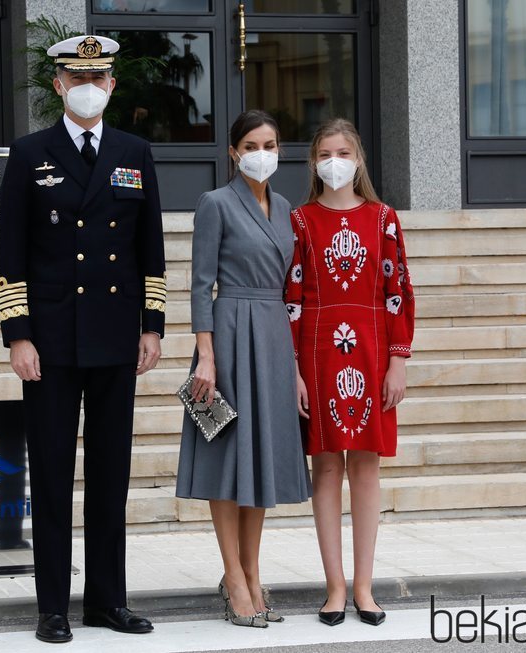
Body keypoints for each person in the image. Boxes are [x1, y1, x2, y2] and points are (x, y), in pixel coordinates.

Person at [0, 34, 166, 644]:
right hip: (52, 341)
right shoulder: (29, 153)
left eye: (100, 77)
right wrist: (17, 335)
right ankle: (52, 607)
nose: (89, 86)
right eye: (77, 77)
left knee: (111, 475)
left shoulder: (134, 151)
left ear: (112, 86)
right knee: (52, 474)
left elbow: (151, 248)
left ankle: (107, 601)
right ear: (58, 85)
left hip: (117, 337)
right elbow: (9, 253)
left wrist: (152, 325)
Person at [175, 110, 312, 628]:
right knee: (225, 459)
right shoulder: (215, 203)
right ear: (234, 151)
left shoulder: (285, 208)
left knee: (259, 460)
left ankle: (254, 573)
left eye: (271, 143)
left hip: (273, 337)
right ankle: (233, 576)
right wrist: (205, 354)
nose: (263, 152)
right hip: (228, 337)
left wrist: (295, 364)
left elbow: (290, 288)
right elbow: (199, 283)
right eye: (252, 144)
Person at [284, 118, 415, 628]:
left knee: (365, 467)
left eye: (343, 152)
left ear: (358, 158)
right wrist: (293, 368)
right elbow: (290, 297)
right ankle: (334, 585)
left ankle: (364, 584)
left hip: (372, 349)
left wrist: (398, 359)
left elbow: (398, 289)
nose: (334, 161)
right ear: (314, 162)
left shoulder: (383, 219)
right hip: (317, 352)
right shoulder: (300, 221)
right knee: (326, 468)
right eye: (324, 153)